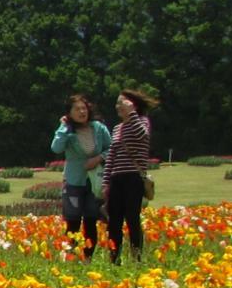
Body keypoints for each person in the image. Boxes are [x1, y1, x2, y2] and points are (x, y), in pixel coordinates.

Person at [51, 94, 110, 261]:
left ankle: (88, 258)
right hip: (74, 182)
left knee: (91, 220)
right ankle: (72, 256)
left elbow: (111, 148)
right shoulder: (67, 132)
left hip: (94, 182)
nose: (81, 111)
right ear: (69, 113)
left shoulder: (98, 128)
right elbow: (56, 148)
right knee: (73, 221)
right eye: (76, 109)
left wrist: (98, 159)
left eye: (83, 108)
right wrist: (63, 126)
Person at [102, 88, 157, 265]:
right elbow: (111, 155)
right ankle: (114, 258)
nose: (118, 107)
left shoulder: (142, 121)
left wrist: (132, 113)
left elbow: (142, 135)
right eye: (117, 103)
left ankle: (137, 258)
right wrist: (106, 182)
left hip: (133, 177)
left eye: (122, 103)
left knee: (132, 218)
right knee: (114, 221)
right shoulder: (117, 128)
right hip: (117, 178)